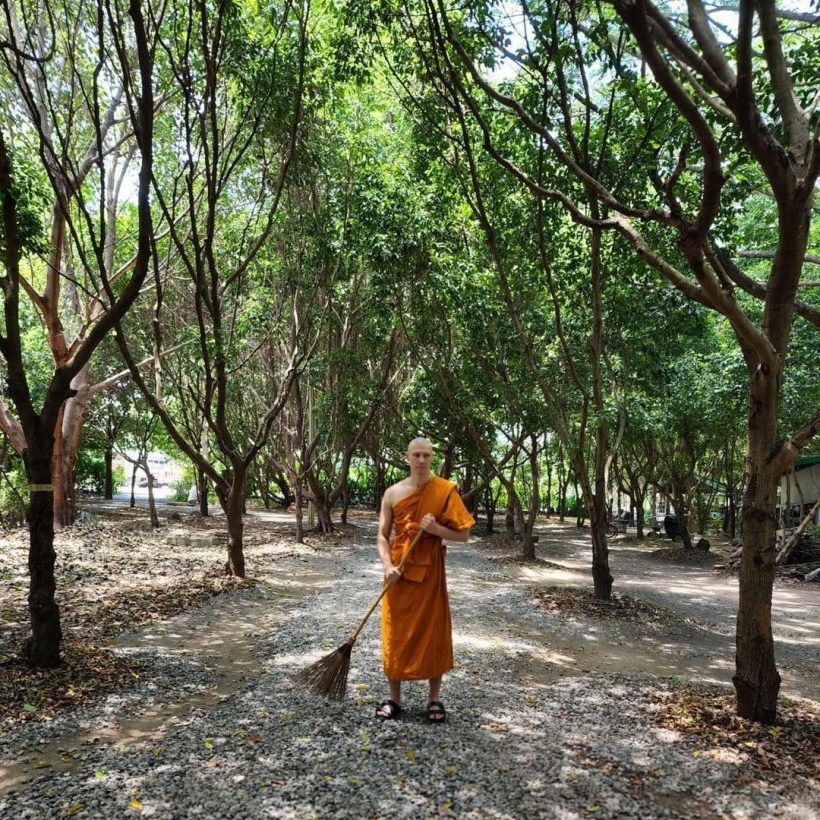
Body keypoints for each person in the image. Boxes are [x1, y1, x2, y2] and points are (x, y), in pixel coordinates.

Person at [375, 437, 475, 723]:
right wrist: (387, 566)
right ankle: (395, 700)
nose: (421, 460)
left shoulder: (444, 491)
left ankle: (434, 700)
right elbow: (382, 535)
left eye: (427, 456)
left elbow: (464, 535)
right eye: (417, 455)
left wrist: (436, 529)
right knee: (395, 633)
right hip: (399, 573)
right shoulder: (393, 493)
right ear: (407, 457)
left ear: (433, 459)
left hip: (430, 574)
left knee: (433, 634)